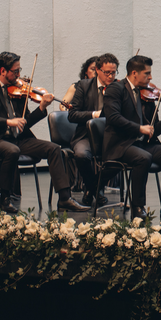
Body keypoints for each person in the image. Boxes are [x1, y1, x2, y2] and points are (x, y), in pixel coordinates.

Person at [0, 51, 87, 214]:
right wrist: (7, 121)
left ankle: (64, 198)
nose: (19, 75)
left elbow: (25, 123)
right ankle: (4, 198)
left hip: (18, 138)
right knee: (12, 150)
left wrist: (41, 108)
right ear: (3, 71)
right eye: (15, 71)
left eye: (19, 70)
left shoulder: (18, 91)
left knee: (54, 149)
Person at [101, 54, 161, 220]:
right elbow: (113, 117)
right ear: (134, 73)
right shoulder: (116, 89)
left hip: (142, 144)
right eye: (147, 73)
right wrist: (139, 128)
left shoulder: (147, 95)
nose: (150, 77)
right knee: (143, 158)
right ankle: (138, 207)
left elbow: (153, 130)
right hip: (121, 145)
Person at [67, 52, 119, 207]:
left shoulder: (118, 87)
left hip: (111, 136)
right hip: (86, 135)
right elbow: (72, 114)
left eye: (113, 73)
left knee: (124, 156)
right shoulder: (83, 86)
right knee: (82, 155)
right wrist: (93, 114)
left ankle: (91, 188)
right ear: (97, 70)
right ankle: (96, 189)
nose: (110, 76)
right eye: (107, 73)